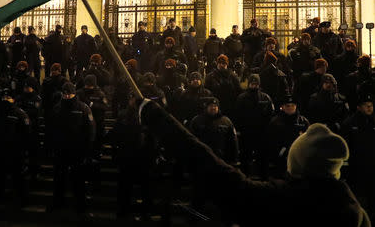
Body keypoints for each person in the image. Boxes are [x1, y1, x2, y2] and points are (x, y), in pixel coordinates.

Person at [137, 99, 370, 227]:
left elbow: (211, 169)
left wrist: (158, 119)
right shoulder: (352, 209)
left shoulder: (285, 200)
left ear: (299, 162)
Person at [47, 82, 95, 215]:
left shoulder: (83, 108)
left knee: (78, 180)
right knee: (59, 179)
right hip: (61, 150)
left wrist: (87, 150)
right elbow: (51, 128)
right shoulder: (57, 108)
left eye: (69, 93)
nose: (67, 96)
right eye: (65, 93)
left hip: (77, 151)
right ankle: (58, 202)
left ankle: (80, 206)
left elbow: (90, 130)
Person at [109, 96, 157, 220]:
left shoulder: (148, 117)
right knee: (126, 187)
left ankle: (145, 211)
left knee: (145, 188)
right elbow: (115, 134)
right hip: (128, 156)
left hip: (143, 158)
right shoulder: (124, 116)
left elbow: (153, 138)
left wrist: (153, 153)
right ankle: (123, 211)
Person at [189, 97, 239, 212]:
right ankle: (196, 213)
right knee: (199, 190)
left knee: (221, 190)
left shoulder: (226, 121)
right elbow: (191, 141)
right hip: (202, 162)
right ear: (206, 107)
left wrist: (234, 159)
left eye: (215, 106)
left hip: (221, 161)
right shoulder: (197, 121)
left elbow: (233, 141)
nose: (213, 108)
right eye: (211, 106)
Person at [0, 88, 30, 206]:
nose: (6, 100)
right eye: (4, 98)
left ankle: (21, 200)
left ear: (13, 99)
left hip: (15, 152)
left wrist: (22, 150)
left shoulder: (20, 114)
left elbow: (26, 134)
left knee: (18, 178)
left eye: (8, 98)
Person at [341, 94, 375, 223]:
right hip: (357, 170)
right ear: (359, 107)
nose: (369, 108)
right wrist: (346, 169)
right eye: (366, 105)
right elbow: (345, 147)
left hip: (372, 168)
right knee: (359, 202)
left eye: (371, 105)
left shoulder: (373, 121)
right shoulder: (349, 124)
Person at [234, 74, 274, 177]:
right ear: (249, 84)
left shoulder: (265, 97)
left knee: (262, 157)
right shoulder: (242, 98)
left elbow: (270, 114)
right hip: (246, 132)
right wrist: (239, 129)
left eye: (256, 84)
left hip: (261, 132)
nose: (254, 86)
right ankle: (244, 178)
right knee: (245, 157)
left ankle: (263, 178)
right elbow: (238, 115)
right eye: (252, 84)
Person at [266, 95, 309, 178]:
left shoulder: (303, 121)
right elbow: (270, 140)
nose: (290, 108)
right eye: (287, 106)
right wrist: (279, 152)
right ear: (282, 107)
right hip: (280, 158)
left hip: (298, 157)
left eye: (293, 105)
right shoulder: (275, 122)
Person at [15, 76, 42, 181]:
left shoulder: (36, 98)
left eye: (28, 87)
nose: (26, 89)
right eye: (25, 87)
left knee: (33, 152)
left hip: (33, 129)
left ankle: (34, 171)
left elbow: (35, 112)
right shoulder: (19, 98)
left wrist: (23, 112)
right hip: (21, 129)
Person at [76, 74, 108, 158]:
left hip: (98, 122)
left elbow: (105, 107)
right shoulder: (80, 93)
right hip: (83, 123)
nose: (88, 87)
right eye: (86, 85)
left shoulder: (100, 94)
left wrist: (93, 105)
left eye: (89, 85)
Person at [205, 55, 241, 119]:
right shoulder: (210, 76)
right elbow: (207, 91)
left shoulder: (233, 76)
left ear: (227, 64)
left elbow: (238, 90)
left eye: (223, 63)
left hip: (230, 106)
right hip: (215, 106)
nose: (221, 65)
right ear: (217, 64)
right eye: (219, 63)